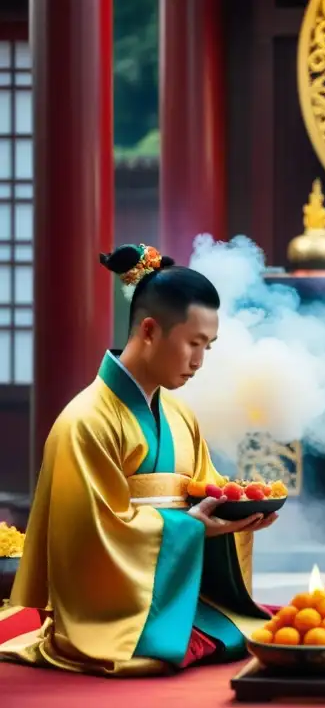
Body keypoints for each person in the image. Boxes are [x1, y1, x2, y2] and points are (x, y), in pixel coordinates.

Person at [0, 244, 276, 676]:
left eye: (209, 346)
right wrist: (192, 526)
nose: (200, 362)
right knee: (157, 656)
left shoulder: (180, 416)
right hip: (109, 608)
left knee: (242, 631)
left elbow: (204, 492)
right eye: (193, 344)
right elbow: (92, 535)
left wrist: (236, 517)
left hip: (173, 589)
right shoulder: (86, 420)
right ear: (149, 330)